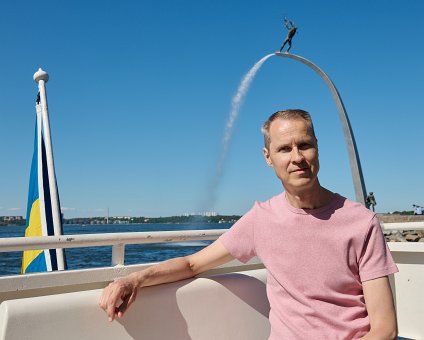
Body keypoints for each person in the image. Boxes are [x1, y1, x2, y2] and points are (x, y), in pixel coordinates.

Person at [99, 109, 398, 339]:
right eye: (284, 149)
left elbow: (384, 329)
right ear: (268, 158)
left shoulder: (361, 222)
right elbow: (192, 264)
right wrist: (133, 280)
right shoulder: (261, 219)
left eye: (304, 145)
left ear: (317, 148)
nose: (297, 158)